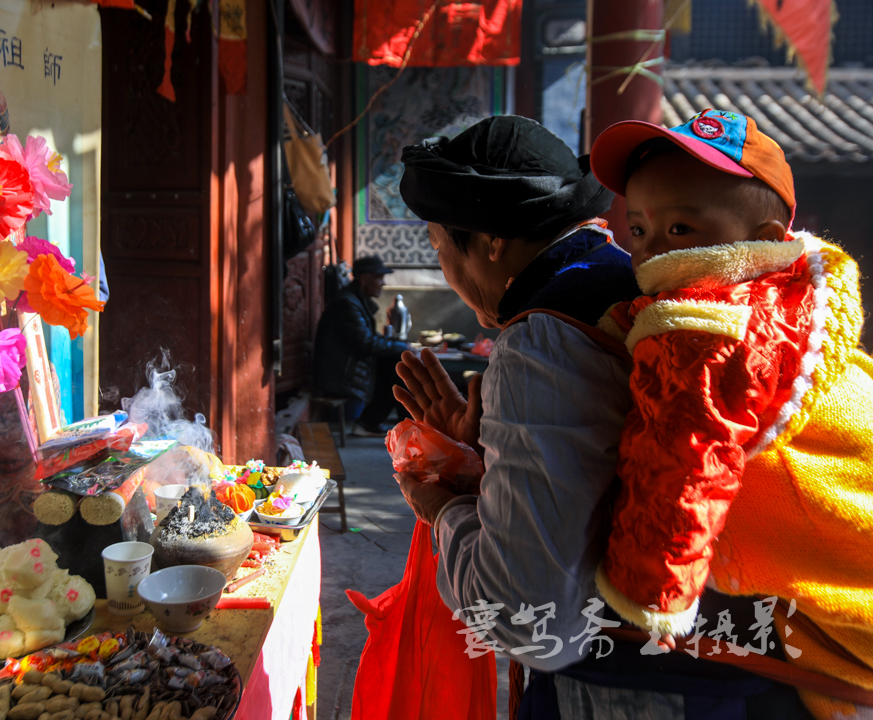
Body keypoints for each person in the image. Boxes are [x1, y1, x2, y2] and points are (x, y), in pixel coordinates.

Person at [392, 115, 814, 718]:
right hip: (758, 670)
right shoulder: (638, 291)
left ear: (490, 241)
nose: (445, 272)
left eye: (439, 246)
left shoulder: (541, 343)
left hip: (650, 689)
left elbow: (527, 618)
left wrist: (444, 511)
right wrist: (493, 465)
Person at [588, 109, 873, 720]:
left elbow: (683, 465)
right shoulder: (790, 295)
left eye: (681, 227)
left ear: (762, 237)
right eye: (637, 228)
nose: (651, 247)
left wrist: (649, 599)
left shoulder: (704, 327)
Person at [313, 254, 410, 436]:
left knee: (397, 361)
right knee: (398, 364)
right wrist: (403, 348)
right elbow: (366, 343)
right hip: (339, 377)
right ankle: (386, 424)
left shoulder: (355, 301)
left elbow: (368, 338)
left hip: (348, 369)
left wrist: (400, 345)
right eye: (379, 278)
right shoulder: (348, 304)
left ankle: (374, 422)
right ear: (364, 279)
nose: (383, 283)